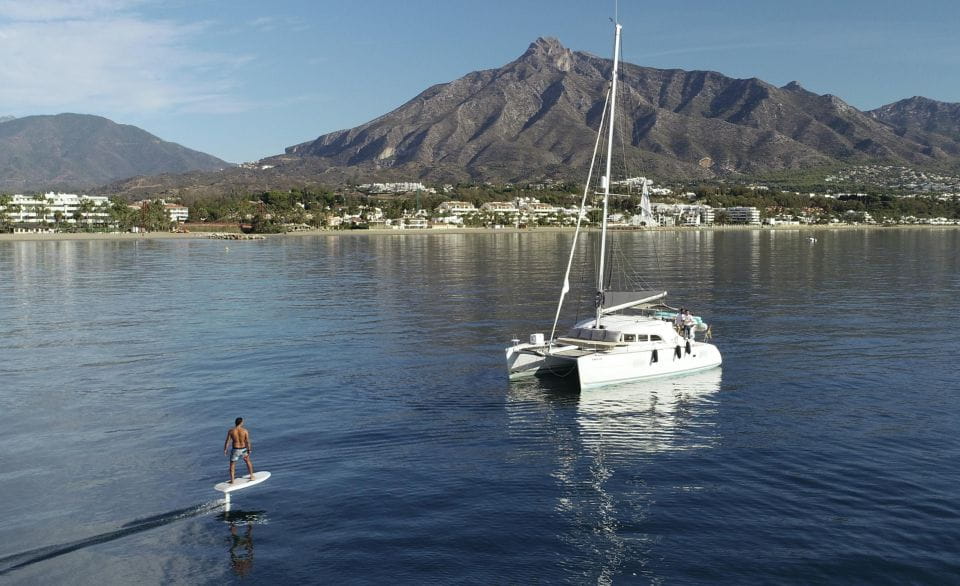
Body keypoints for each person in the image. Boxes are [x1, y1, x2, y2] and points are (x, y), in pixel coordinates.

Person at [224, 417, 255, 483]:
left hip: (235, 450)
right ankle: (252, 476)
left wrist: (225, 449)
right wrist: (249, 449)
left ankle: (232, 480)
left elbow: (228, 441)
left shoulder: (231, 431)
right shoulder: (245, 431)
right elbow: (247, 441)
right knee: (248, 461)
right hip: (243, 449)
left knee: (232, 465)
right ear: (241, 423)